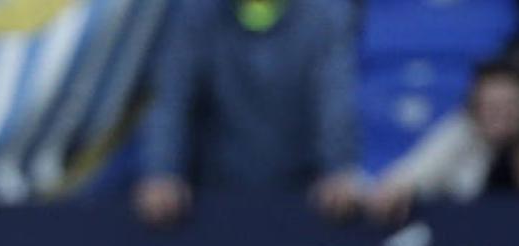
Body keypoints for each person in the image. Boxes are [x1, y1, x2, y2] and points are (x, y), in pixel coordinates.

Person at [133, 0, 364, 226]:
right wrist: (161, 173)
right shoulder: (193, 11)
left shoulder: (329, 11)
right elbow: (170, 97)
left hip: (306, 199)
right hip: (210, 200)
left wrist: (340, 169)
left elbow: (335, 96)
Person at [367, 53, 519, 223]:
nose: (500, 116)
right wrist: (396, 188)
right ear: (474, 106)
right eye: (490, 106)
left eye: (511, 105)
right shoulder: (462, 132)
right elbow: (410, 176)